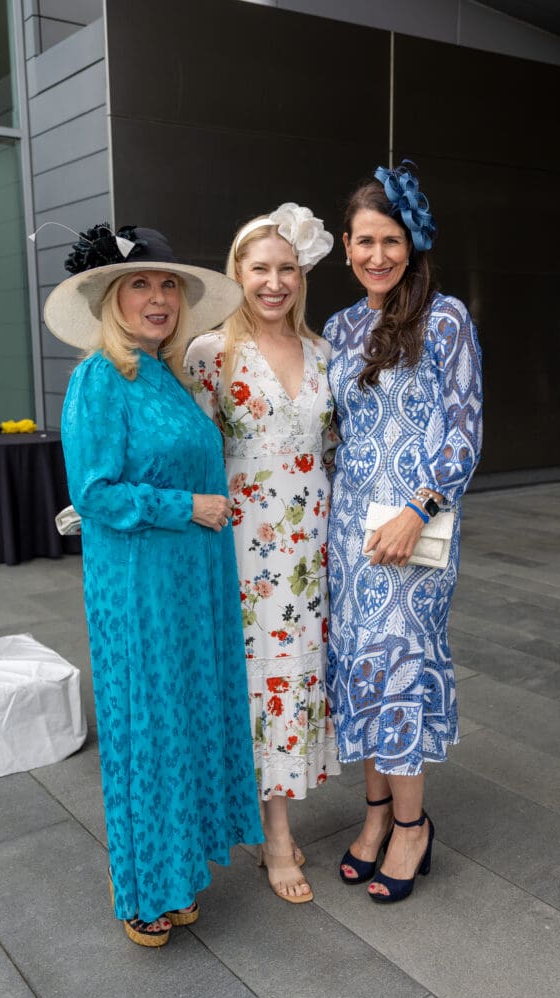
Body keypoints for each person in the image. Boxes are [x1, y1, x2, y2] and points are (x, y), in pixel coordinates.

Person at [45, 223, 263, 946]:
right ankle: (143, 888)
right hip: (138, 586)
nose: (158, 296)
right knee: (147, 729)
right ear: (110, 298)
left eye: (168, 284)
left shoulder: (162, 374)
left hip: (189, 581)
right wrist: (188, 507)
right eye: (140, 283)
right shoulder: (100, 377)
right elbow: (97, 494)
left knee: (181, 725)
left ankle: (173, 872)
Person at [323, 165, 483, 903]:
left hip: (413, 530)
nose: (376, 255)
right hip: (348, 530)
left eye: (390, 241)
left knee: (399, 669)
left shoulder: (443, 318)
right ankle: (377, 814)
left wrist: (417, 509)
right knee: (360, 667)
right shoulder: (340, 327)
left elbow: (463, 432)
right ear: (347, 246)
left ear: (410, 244)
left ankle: (413, 830)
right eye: (364, 241)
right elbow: (332, 433)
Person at [185, 204, 339, 903]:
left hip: (312, 544)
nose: (274, 282)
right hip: (243, 546)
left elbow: (336, 452)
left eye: (286, 268)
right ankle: (274, 837)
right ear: (237, 273)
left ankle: (271, 814)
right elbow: (188, 448)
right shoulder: (210, 352)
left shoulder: (325, 354)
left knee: (296, 675)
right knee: (257, 678)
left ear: (300, 275)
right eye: (260, 268)